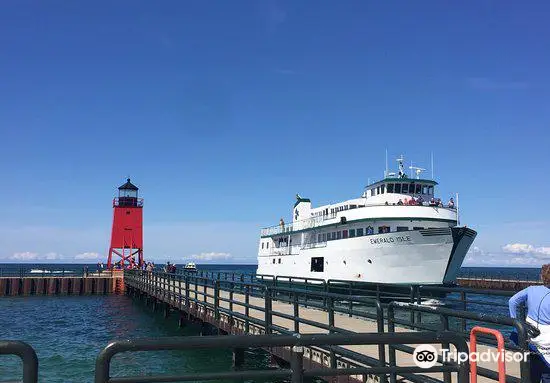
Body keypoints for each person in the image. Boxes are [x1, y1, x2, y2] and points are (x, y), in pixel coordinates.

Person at [509, 264, 550, 382]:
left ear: (542, 276)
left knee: (533, 369)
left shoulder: (531, 289)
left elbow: (512, 301)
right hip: (547, 340)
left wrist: (515, 322)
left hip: (530, 337)